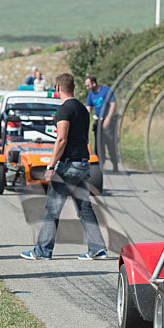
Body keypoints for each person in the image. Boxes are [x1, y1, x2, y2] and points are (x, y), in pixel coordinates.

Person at [21, 72, 107, 261]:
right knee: (84, 208)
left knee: (52, 209)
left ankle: (42, 251)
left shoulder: (64, 110)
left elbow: (61, 139)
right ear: (73, 87)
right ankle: (97, 248)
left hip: (69, 165)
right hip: (84, 163)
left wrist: (51, 167)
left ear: (58, 88)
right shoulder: (83, 109)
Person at [84, 76, 118, 172]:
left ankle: (115, 164)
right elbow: (88, 108)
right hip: (98, 121)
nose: (87, 88)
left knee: (110, 143)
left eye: (88, 85)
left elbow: (113, 105)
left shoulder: (106, 91)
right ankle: (100, 166)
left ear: (94, 83)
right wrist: (84, 120)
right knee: (98, 144)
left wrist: (108, 118)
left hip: (109, 120)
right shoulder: (90, 95)